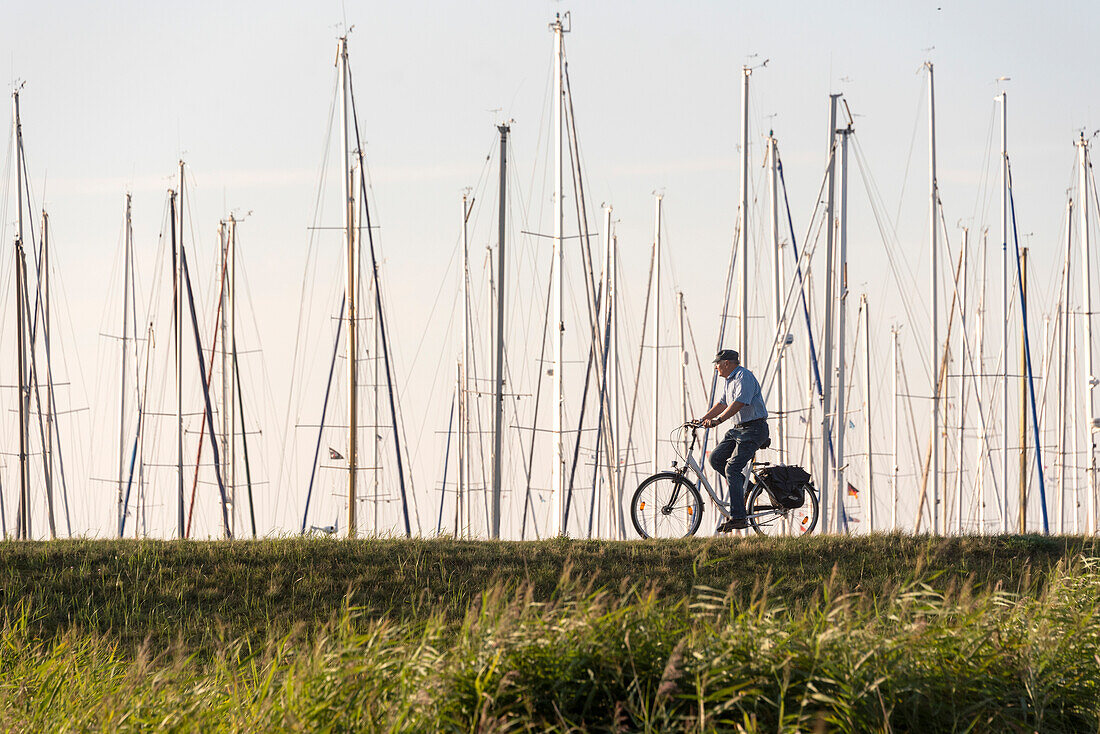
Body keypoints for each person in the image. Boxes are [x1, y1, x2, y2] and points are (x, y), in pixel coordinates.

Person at [695, 349, 769, 532]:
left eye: (717, 364)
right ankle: (747, 486)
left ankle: (738, 517)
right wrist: (702, 419)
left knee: (732, 468)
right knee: (715, 459)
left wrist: (718, 421)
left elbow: (738, 403)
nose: (716, 368)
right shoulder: (729, 381)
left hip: (754, 429)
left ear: (727, 363)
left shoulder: (744, 377)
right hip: (738, 430)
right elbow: (722, 404)